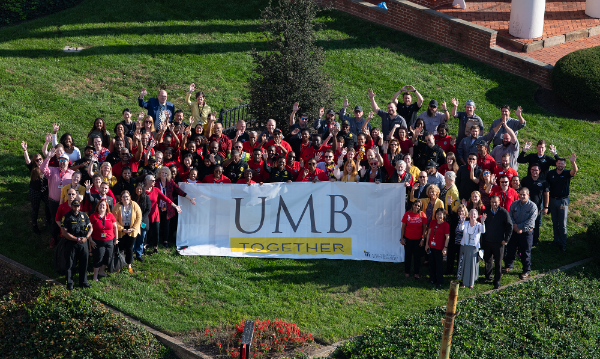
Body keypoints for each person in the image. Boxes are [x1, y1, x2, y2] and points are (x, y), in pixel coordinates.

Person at [40, 148, 74, 246]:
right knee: (55, 220)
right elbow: (42, 169)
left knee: (67, 221)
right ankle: (54, 237)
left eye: (64, 160)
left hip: (66, 203)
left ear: (68, 162)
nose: (62, 162)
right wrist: (49, 157)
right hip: (54, 201)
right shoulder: (52, 170)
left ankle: (65, 238)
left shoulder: (72, 174)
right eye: (60, 160)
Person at [156, 167, 196, 247]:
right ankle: (155, 241)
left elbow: (179, 191)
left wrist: (190, 198)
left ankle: (165, 241)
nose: (164, 174)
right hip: (157, 207)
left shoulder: (170, 182)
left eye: (166, 173)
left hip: (168, 207)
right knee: (157, 224)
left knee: (167, 225)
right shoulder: (156, 182)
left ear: (168, 174)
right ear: (159, 173)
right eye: (162, 172)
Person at [504, 188, 538, 279]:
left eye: (524, 195)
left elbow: (531, 221)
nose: (522, 196)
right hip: (514, 231)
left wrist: (520, 228)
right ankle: (508, 266)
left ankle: (526, 270)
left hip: (526, 233)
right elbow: (510, 215)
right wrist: (515, 226)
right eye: (521, 194)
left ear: (528, 195)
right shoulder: (514, 204)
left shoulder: (532, 206)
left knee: (525, 252)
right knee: (511, 249)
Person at [144, 174, 182, 254]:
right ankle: (144, 245)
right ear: (147, 181)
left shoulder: (156, 190)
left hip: (155, 215)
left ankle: (155, 247)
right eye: (152, 180)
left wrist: (175, 206)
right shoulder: (142, 191)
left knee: (156, 231)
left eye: (154, 180)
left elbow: (166, 198)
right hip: (145, 215)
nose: (154, 182)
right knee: (146, 231)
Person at [546, 154, 577, 252]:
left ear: (565, 165)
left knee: (562, 223)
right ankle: (556, 239)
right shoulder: (550, 173)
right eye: (559, 163)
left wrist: (573, 162)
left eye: (562, 164)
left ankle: (563, 244)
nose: (560, 165)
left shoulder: (567, 173)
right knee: (555, 222)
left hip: (563, 201)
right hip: (552, 200)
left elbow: (574, 171)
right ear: (556, 164)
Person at [481, 195, 513, 289]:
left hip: (499, 242)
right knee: (488, 260)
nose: (494, 204)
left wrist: (506, 239)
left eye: (496, 202)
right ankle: (488, 276)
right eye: (492, 202)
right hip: (487, 240)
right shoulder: (486, 211)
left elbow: (509, 226)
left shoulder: (503, 212)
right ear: (490, 202)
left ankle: (497, 280)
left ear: (499, 202)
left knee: (498, 262)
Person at [60, 199, 92, 290]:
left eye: (78, 206)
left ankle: (83, 282)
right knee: (70, 264)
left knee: (84, 263)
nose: (76, 208)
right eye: (74, 206)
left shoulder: (84, 215)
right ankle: (69, 283)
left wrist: (86, 237)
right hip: (71, 243)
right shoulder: (66, 216)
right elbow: (64, 232)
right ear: (71, 206)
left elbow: (91, 227)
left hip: (83, 242)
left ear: (80, 206)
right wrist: (76, 239)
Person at [21, 141, 51, 234]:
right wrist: (25, 150)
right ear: (34, 162)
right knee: (35, 208)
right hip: (35, 191)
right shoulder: (33, 168)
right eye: (37, 160)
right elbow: (27, 160)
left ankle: (48, 220)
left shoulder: (46, 167)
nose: (39, 161)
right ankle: (35, 225)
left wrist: (47, 143)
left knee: (50, 205)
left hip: (45, 191)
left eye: (40, 159)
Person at [112, 190, 142, 273]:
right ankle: (119, 265)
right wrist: (122, 229)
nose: (125, 198)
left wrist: (133, 228)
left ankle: (129, 265)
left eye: (127, 197)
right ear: (121, 198)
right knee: (120, 248)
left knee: (129, 248)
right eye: (123, 197)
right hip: (121, 230)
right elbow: (114, 220)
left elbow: (139, 217)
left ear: (130, 197)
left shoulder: (134, 205)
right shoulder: (117, 206)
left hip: (132, 229)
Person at [456, 209, 487, 289]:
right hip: (465, 247)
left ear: (477, 216)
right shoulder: (466, 223)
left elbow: (483, 231)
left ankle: (471, 283)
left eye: (474, 214)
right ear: (469, 215)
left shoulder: (479, 225)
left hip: (473, 248)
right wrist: (462, 221)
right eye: (471, 214)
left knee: (472, 265)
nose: (473, 216)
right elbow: (460, 228)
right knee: (464, 264)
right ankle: (463, 282)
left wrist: (483, 222)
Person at [88, 199, 118, 281]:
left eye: (104, 205)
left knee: (107, 257)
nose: (102, 206)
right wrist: (91, 240)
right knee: (98, 258)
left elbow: (115, 227)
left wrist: (116, 239)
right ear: (97, 207)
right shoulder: (93, 216)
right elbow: (89, 230)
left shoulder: (110, 216)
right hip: (97, 241)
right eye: (100, 205)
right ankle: (95, 276)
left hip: (110, 241)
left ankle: (101, 272)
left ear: (106, 207)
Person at [521, 164, 549, 247]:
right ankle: (525, 239)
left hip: (538, 207)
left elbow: (546, 194)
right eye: (533, 170)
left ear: (539, 171)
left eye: (536, 170)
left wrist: (546, 207)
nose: (534, 171)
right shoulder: (525, 180)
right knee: (525, 223)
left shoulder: (543, 181)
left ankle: (535, 241)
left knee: (536, 224)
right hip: (526, 206)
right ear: (530, 170)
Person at [401, 200, 428, 279]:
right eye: (415, 205)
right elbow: (403, 227)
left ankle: (416, 273)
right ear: (412, 205)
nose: (416, 207)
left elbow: (424, 228)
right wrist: (402, 238)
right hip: (408, 239)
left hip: (418, 239)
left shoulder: (422, 215)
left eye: (418, 206)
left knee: (417, 257)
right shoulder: (407, 214)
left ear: (420, 207)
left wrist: (423, 239)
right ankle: (407, 272)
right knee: (408, 256)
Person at [425, 208, 450, 289]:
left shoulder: (445, 224)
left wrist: (445, 248)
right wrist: (426, 244)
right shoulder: (432, 222)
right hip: (431, 247)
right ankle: (432, 279)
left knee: (439, 265)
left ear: (444, 215)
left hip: (440, 248)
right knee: (432, 263)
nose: (439, 215)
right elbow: (428, 234)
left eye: (441, 214)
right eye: (437, 214)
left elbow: (447, 237)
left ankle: (439, 282)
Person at [133, 183, 151, 262]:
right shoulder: (133, 198)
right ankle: (132, 255)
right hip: (133, 221)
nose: (139, 190)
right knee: (133, 238)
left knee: (141, 238)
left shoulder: (146, 198)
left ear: (143, 190)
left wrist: (141, 219)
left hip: (143, 221)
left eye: (140, 189)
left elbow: (148, 210)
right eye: (137, 189)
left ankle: (139, 254)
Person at [448, 204, 467, 275]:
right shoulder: (455, 218)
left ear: (465, 211)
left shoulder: (467, 219)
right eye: (459, 211)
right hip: (454, 241)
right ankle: (449, 270)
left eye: (462, 211)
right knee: (450, 257)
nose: (460, 212)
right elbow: (450, 212)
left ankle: (459, 272)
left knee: (460, 258)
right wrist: (449, 205)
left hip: (462, 243)